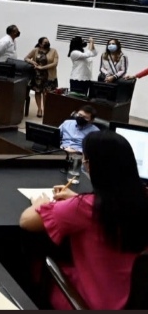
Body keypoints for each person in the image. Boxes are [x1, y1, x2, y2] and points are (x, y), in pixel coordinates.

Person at [19, 130, 148, 310]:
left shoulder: (84, 208)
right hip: (126, 300)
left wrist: (39, 203)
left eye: (86, 160)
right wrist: (75, 198)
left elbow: (26, 221)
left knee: (31, 261)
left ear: (93, 166)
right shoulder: (141, 199)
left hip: (87, 302)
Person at [24, 37, 59, 118]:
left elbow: (55, 63)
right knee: (38, 92)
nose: (47, 43)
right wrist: (33, 62)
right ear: (40, 44)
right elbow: (26, 58)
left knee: (46, 94)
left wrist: (42, 67)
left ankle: (46, 109)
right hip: (37, 76)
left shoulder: (53, 51)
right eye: (45, 42)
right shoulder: (35, 50)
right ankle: (39, 109)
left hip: (49, 76)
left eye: (48, 42)